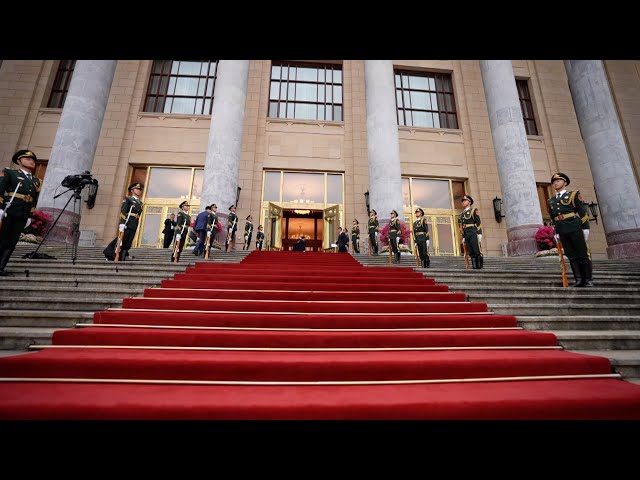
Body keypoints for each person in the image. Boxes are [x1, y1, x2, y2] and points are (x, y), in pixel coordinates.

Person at [0, 149, 41, 276]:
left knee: (12, 242)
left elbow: (33, 200)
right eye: (28, 159)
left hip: (22, 214)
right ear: (19, 161)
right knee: (2, 239)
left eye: (33, 160)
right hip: (9, 210)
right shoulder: (10, 173)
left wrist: (29, 215)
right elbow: (0, 189)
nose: (31, 161)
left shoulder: (35, 181)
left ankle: (1, 267)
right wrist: (0, 208)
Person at [548, 172, 593, 287]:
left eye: (558, 181)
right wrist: (556, 232)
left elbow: (582, 212)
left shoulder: (573, 195)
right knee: (571, 254)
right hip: (562, 229)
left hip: (574, 226)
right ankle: (578, 279)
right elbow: (553, 218)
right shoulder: (551, 201)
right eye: (553, 182)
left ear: (565, 182)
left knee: (582, 253)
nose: (555, 183)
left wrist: (586, 228)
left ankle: (587, 279)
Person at [103, 182, 144, 261]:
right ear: (132, 190)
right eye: (137, 189)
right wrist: (122, 223)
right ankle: (109, 253)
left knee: (129, 241)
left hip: (134, 223)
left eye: (140, 190)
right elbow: (123, 212)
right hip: (127, 222)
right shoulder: (128, 199)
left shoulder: (140, 203)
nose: (139, 191)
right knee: (121, 239)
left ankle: (123, 255)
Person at [458, 195, 483, 269]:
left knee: (476, 250)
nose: (463, 202)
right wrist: (463, 236)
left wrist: (479, 233)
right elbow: (461, 227)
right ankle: (474, 267)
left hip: (473, 231)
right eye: (462, 201)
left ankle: (479, 267)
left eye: (465, 201)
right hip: (466, 233)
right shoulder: (461, 214)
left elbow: (478, 222)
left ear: (469, 202)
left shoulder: (473, 210)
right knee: (470, 251)